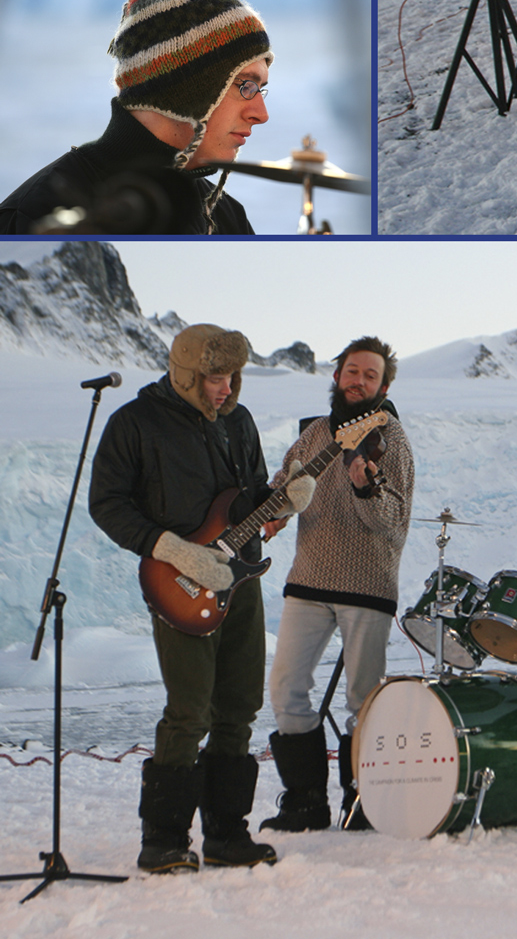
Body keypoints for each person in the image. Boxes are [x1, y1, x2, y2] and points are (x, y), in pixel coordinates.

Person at [89, 324, 315, 872]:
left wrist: (283, 501)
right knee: (189, 710)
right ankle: (162, 840)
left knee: (239, 706)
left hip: (240, 580)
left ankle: (226, 834)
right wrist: (170, 549)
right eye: (216, 377)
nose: (227, 388)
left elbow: (249, 498)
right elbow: (107, 503)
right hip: (181, 584)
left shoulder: (239, 421)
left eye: (234, 376)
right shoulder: (135, 424)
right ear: (188, 374)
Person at [260, 337, 414, 834]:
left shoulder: (392, 439)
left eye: (370, 376)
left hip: (367, 586)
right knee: (286, 689)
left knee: (363, 697)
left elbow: (394, 521)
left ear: (384, 386)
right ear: (337, 376)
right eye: (352, 372)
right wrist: (273, 513)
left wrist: (365, 486)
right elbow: (285, 485)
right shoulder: (314, 434)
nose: (359, 381)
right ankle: (305, 802)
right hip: (308, 579)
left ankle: (361, 801)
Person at [0, 0, 271, 235]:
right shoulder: (35, 214)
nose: (261, 114)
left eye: (261, 89)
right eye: (246, 85)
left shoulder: (227, 217)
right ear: (182, 86)